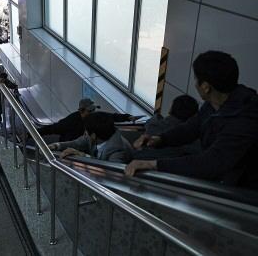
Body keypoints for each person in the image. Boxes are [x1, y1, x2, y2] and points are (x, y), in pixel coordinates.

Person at [125, 51, 258, 188]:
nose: (195, 84)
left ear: (206, 87)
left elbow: (211, 163)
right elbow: (191, 127)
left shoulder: (244, 121)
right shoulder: (216, 104)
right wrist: (159, 139)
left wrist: (152, 164)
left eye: (195, 79)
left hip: (244, 191)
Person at [37, 98, 143, 143]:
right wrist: (32, 134)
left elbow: (112, 116)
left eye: (94, 110)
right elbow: (53, 128)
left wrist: (128, 117)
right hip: (68, 149)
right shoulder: (71, 120)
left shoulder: (94, 117)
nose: (93, 113)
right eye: (90, 111)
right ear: (81, 111)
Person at [49, 112, 134, 164]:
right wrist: (56, 145)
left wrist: (81, 155)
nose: (85, 133)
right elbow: (76, 143)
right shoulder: (98, 135)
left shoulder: (117, 150)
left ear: (93, 135)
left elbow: (112, 173)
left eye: (86, 131)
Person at [133, 95, 200, 160]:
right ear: (192, 118)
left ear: (170, 110)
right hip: (160, 169)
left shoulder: (154, 122)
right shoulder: (190, 139)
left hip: (133, 164)